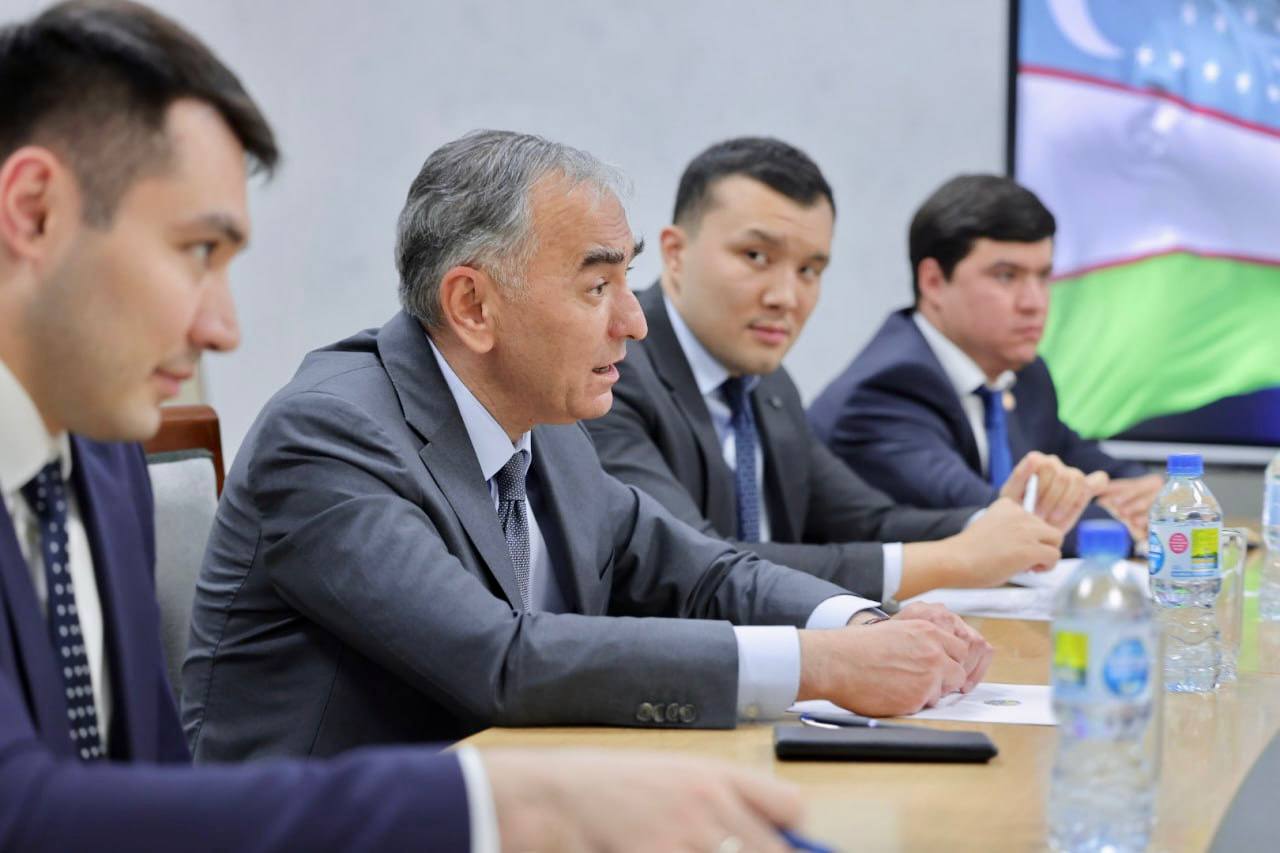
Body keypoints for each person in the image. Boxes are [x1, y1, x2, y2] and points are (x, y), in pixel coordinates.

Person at [0, 3, 809, 850]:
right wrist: (508, 804)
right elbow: (23, 811)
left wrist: (843, 635)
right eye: (197, 251)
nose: (223, 328)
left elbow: (148, 785)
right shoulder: (327, 427)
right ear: (34, 210)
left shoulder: (97, 461)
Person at [183, 129, 993, 764]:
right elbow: (497, 658)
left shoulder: (549, 429)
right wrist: (818, 665)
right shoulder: (330, 435)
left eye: (625, 282)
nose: (634, 321)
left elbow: (701, 570)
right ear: (473, 306)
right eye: (597, 286)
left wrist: (857, 622)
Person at [586, 137, 1073, 603]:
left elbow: (868, 522)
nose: (786, 297)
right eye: (756, 257)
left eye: (809, 271)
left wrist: (994, 525)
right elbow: (698, 564)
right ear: (675, 253)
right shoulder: (612, 371)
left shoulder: (767, 385)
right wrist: (952, 560)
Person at [808, 174, 1161, 550]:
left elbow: (1088, 463)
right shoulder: (885, 391)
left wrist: (1154, 495)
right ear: (933, 282)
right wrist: (1125, 524)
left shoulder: (1024, 375)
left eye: (1043, 277)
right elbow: (994, 519)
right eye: (1007, 277)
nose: (1034, 302)